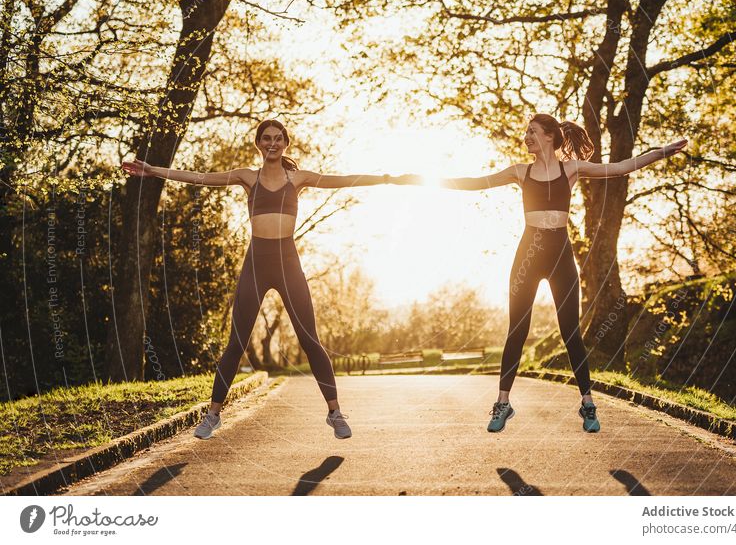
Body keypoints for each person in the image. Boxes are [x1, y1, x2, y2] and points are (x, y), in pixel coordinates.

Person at [398, 114, 687, 433]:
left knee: (570, 332)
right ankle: (503, 404)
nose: (526, 136)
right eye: (525, 131)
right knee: (516, 330)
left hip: (560, 255)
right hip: (529, 256)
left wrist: (662, 151)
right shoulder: (519, 172)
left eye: (532, 131)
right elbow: (476, 183)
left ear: (550, 136)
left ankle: (588, 405)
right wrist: (423, 179)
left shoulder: (572, 169)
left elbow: (620, 167)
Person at [121, 119, 404, 440]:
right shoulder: (247, 177)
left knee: (310, 340)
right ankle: (213, 414)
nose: (272, 143)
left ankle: (335, 412)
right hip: (256, 263)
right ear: (258, 143)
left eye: (278, 139)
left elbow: (343, 180)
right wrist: (155, 170)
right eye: (266, 138)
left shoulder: (299, 178)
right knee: (236, 343)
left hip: (287, 262)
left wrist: (384, 179)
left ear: (285, 143)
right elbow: (201, 178)